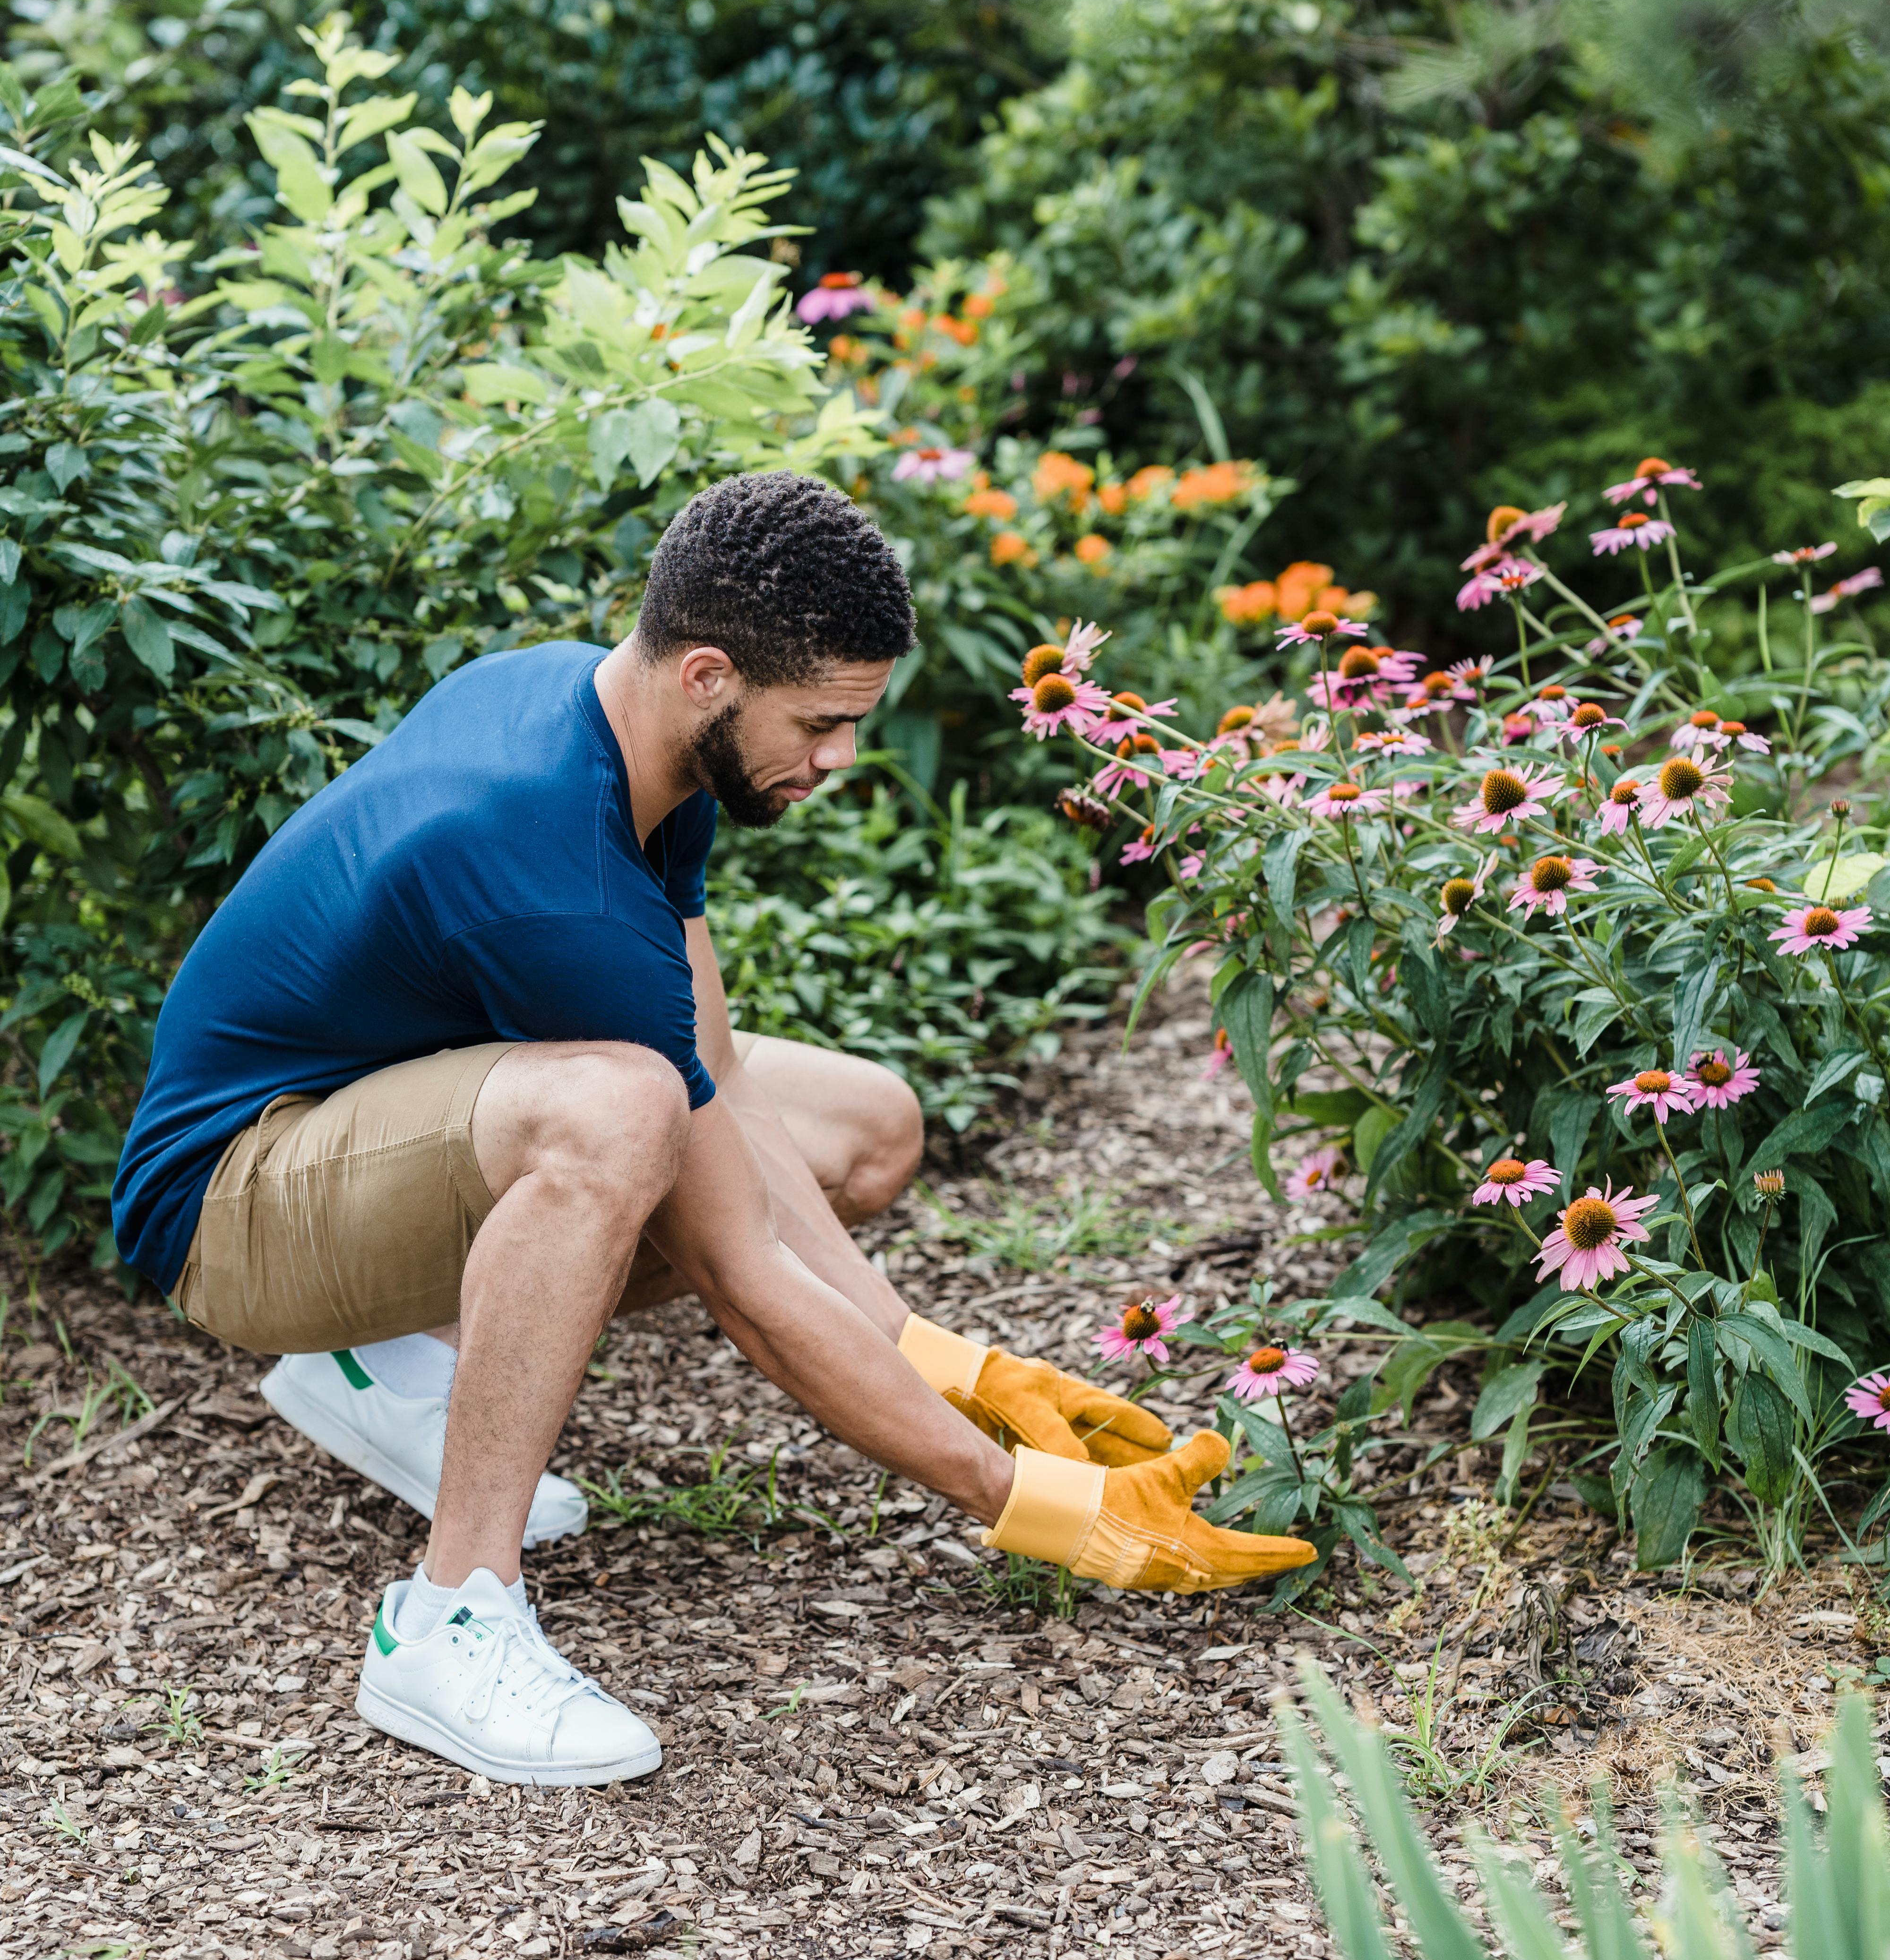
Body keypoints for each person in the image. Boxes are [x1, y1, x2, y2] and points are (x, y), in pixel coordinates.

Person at [113, 472, 1312, 1787]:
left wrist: (946, 1360)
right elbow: (741, 1268)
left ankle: (388, 1362)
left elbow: (722, 1078)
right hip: (233, 1202)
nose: (840, 758)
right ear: (709, 675)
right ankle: (451, 1615)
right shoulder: (540, 859)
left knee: (863, 1129)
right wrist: (1019, 1497)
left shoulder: (622, 725)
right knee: (617, 1118)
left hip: (366, 1117)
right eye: (822, 723)